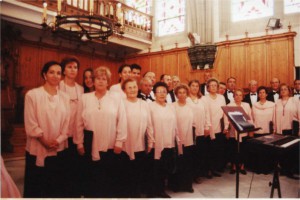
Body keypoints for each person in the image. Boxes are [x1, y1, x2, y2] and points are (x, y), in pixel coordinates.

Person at [74, 66, 127, 197]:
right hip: (89, 143)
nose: (101, 81)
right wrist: (79, 143)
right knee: (92, 177)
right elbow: (78, 123)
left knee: (108, 178)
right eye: (98, 78)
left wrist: (119, 141)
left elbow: (122, 120)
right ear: (93, 81)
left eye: (104, 79)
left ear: (108, 82)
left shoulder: (116, 98)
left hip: (110, 143)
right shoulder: (84, 98)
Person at [23, 61, 70, 198]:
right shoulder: (32, 95)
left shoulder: (65, 98)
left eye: (58, 73)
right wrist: (44, 141)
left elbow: (66, 123)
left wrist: (58, 140)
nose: (55, 76)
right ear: (44, 74)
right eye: (51, 72)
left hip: (58, 148)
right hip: (38, 147)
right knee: (37, 187)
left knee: (55, 188)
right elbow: (31, 122)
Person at [121, 78, 155, 197]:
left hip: (141, 144)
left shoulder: (144, 104)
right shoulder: (121, 103)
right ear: (124, 90)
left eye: (134, 87)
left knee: (139, 172)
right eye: (129, 87)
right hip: (125, 145)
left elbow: (149, 124)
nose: (132, 90)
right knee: (126, 174)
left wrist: (151, 141)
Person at [149, 82, 180, 198]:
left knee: (164, 167)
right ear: (154, 93)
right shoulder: (150, 106)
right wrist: (151, 140)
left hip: (169, 141)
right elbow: (149, 125)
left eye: (164, 91)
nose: (162, 94)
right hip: (155, 142)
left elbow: (175, 124)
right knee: (154, 167)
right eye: (159, 91)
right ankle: (152, 191)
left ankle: (161, 190)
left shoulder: (170, 107)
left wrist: (177, 138)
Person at [59, 56, 84, 197]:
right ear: (63, 70)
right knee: (61, 167)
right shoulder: (58, 86)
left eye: (75, 67)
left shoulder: (80, 89)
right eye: (69, 67)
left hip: (76, 134)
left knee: (74, 167)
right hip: (61, 133)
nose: (73, 70)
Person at [169, 83, 195, 193]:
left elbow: (194, 123)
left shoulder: (191, 106)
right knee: (177, 163)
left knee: (188, 162)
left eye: (184, 92)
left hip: (188, 138)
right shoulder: (172, 106)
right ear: (176, 94)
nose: (182, 94)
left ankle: (187, 185)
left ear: (187, 94)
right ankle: (175, 185)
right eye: (179, 92)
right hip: (176, 138)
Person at [223, 89, 253, 175]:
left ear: (243, 97)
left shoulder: (246, 105)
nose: (238, 97)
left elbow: (250, 117)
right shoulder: (229, 105)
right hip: (233, 131)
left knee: (243, 149)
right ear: (233, 96)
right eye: (236, 95)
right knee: (233, 149)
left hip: (244, 130)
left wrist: (251, 130)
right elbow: (226, 119)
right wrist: (227, 129)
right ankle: (234, 167)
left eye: (240, 95)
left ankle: (242, 166)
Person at [186, 80, 211, 181]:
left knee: (199, 154)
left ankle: (197, 175)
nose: (195, 88)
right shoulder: (186, 99)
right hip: (189, 131)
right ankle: (189, 176)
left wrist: (207, 127)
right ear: (189, 87)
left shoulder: (202, 100)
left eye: (197, 86)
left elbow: (207, 114)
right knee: (190, 154)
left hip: (201, 130)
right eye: (193, 86)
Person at [274, 83, 300, 178]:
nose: (283, 91)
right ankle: (284, 169)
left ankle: (291, 171)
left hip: (292, 129)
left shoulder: (295, 100)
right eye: (281, 89)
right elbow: (274, 116)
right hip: (280, 130)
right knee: (282, 151)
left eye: (285, 89)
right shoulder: (277, 102)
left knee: (292, 151)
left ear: (289, 91)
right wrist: (275, 129)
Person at [202, 78, 226, 177]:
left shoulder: (221, 97)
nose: (213, 87)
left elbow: (225, 112)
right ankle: (207, 170)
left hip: (219, 127)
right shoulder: (204, 98)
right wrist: (207, 127)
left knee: (217, 150)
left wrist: (226, 126)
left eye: (215, 85)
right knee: (208, 150)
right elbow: (205, 114)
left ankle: (214, 168)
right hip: (209, 127)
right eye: (211, 85)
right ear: (207, 88)